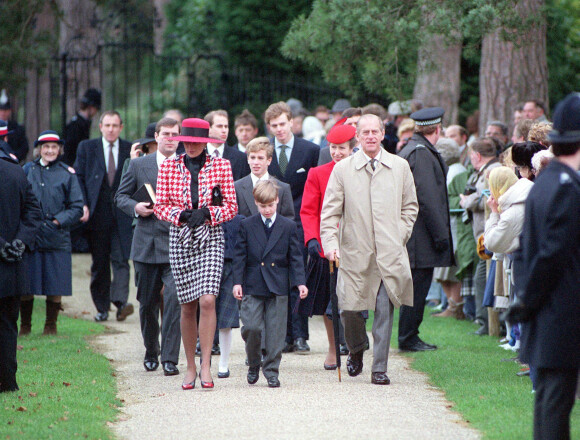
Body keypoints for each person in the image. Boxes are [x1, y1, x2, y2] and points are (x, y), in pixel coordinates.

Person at [321, 114, 418, 385]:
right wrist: (331, 245)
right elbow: (329, 214)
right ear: (358, 136)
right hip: (354, 252)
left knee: (384, 311)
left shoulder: (399, 166)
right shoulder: (343, 169)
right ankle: (356, 348)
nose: (371, 136)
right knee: (348, 309)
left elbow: (410, 207)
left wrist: (399, 234)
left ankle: (379, 368)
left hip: (389, 252)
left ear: (383, 133)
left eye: (376, 131)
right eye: (366, 132)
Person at [504, 92, 579, 440]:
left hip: (547, 312)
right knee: (554, 407)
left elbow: (524, 252)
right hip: (559, 313)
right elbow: (551, 254)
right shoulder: (564, 187)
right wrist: (527, 303)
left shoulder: (547, 182)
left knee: (552, 404)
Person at [154, 118, 237, 390]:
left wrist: (208, 213)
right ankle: (189, 365)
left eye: (196, 142)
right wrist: (181, 215)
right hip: (180, 238)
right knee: (186, 304)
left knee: (208, 300)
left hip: (211, 237)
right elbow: (160, 207)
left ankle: (205, 365)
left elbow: (231, 207)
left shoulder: (221, 166)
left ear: (205, 143)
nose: (190, 146)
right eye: (186, 141)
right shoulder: (169, 166)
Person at [115, 118, 182, 376]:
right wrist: (135, 207)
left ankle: (170, 358)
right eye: (166, 134)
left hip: (177, 243)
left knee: (175, 300)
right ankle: (151, 349)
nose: (170, 138)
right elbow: (120, 196)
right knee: (147, 303)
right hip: (146, 243)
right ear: (156, 136)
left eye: (175, 134)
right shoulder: (138, 165)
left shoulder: (186, 165)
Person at [233, 179, 307, 388]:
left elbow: (295, 257)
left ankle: (272, 370)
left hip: (278, 285)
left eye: (270, 205)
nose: (267, 210)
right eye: (262, 206)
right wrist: (237, 282)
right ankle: (255, 362)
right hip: (253, 283)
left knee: (275, 333)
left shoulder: (288, 226)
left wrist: (300, 282)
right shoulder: (247, 225)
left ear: (277, 200)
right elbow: (240, 256)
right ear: (256, 203)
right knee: (252, 328)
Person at [300, 121, 357, 369]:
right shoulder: (318, 173)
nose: (336, 152)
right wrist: (312, 239)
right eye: (333, 147)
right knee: (330, 301)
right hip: (327, 247)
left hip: (357, 245)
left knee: (355, 301)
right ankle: (334, 349)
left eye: (342, 148)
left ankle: (356, 347)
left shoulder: (362, 171)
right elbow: (309, 211)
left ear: (353, 148)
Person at [398, 107, 454, 351]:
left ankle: (410, 335)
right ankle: (408, 337)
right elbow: (428, 199)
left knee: (417, 288)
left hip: (415, 234)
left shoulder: (415, 149)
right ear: (438, 128)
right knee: (417, 289)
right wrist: (441, 236)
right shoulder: (420, 153)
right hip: (420, 237)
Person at [265, 101, 319, 354]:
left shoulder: (310, 150)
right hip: (272, 222)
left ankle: (300, 336)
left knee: (300, 277)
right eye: (274, 126)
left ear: (292, 122)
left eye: (283, 124)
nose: (279, 129)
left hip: (300, 221)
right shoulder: (264, 152)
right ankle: (284, 335)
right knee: (278, 278)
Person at [19, 131, 83, 335]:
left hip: (57, 235)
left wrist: (57, 221)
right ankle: (25, 326)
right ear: (39, 149)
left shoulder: (68, 174)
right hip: (31, 235)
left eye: (54, 147)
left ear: (60, 150)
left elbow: (77, 207)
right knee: (27, 283)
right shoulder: (27, 170)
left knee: (56, 282)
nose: (49, 151)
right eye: (45, 147)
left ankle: (50, 326)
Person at [74, 110, 134, 322]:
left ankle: (120, 303)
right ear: (100, 126)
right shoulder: (87, 148)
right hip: (97, 214)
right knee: (99, 263)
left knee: (121, 260)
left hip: (122, 214)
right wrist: (82, 204)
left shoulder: (129, 149)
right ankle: (101, 307)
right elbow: (79, 177)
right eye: (107, 125)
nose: (111, 129)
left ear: (121, 127)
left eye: (115, 125)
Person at [0, 157, 42, 392]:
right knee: (7, 323)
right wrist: (19, 241)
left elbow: (33, 210)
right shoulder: (16, 171)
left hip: (9, 258)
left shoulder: (15, 170)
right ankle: (7, 381)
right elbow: (34, 211)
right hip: (12, 262)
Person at [459, 138, 501, 335]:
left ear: (476, 155)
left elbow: (486, 198)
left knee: (484, 278)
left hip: (491, 232)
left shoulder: (491, 170)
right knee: (484, 277)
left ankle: (488, 323)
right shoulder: (488, 168)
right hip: (485, 233)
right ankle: (486, 322)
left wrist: (467, 201)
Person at [432, 137, 467, 319]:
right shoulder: (451, 170)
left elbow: (457, 199)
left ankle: (455, 307)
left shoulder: (456, 172)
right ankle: (452, 306)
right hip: (447, 227)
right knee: (443, 271)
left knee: (451, 270)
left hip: (454, 228)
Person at [234, 137, 294, 219]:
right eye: (252, 157)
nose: (255, 162)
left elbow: (288, 222)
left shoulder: (283, 188)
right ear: (248, 159)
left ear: (269, 160)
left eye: (260, 158)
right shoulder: (237, 187)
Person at [204, 110, 250, 180]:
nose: (224, 130)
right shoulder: (197, 155)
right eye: (219, 126)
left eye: (226, 126)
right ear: (208, 129)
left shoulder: (241, 158)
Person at [63, 88, 102, 166]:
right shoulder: (76, 126)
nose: (95, 112)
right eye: (96, 108)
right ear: (91, 107)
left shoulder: (81, 123)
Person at [0, 89, 29, 163]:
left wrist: (13, 157)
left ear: (9, 111)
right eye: (1, 110)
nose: (3, 113)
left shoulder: (17, 128)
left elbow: (24, 147)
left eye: (5, 110)